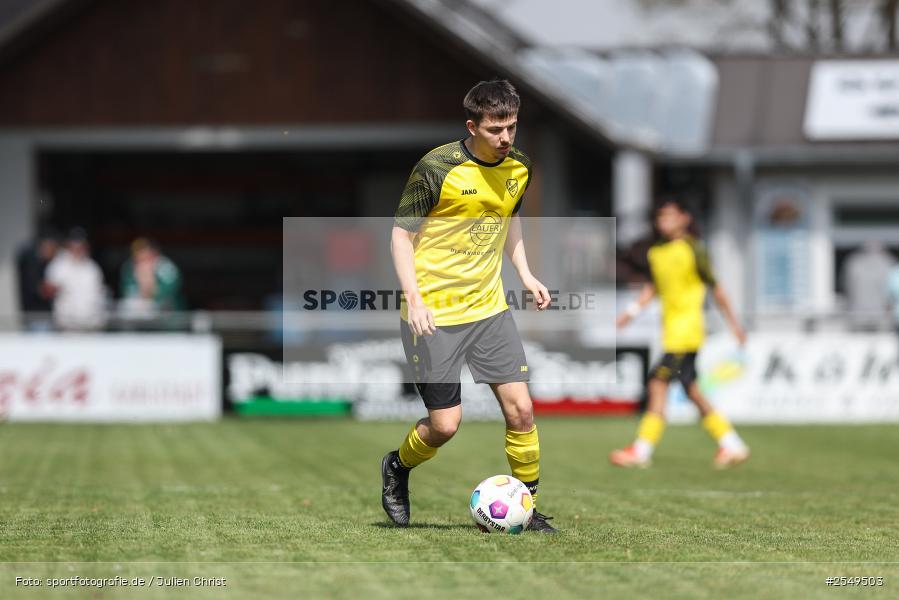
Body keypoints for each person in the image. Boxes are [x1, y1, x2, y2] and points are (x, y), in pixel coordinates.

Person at [380, 79, 557, 532]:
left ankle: (528, 508)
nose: (505, 138)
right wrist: (414, 300)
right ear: (472, 125)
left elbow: (509, 220)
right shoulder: (437, 167)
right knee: (445, 426)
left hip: (489, 310)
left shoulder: (519, 167)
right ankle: (397, 468)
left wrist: (527, 274)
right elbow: (401, 235)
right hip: (433, 316)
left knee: (521, 410)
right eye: (496, 129)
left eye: (512, 127)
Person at [610, 199, 750, 469]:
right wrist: (632, 310)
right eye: (661, 216)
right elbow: (654, 287)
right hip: (671, 332)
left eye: (670, 216)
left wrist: (734, 325)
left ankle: (641, 450)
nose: (664, 221)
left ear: (684, 218)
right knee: (693, 391)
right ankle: (732, 444)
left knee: (657, 383)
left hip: (687, 332)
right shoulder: (656, 252)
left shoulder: (693, 248)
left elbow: (716, 287)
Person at [44, 227, 107, 331]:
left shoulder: (92, 267)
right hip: (67, 326)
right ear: (69, 244)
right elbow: (47, 291)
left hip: (92, 326)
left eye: (81, 244)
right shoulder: (58, 265)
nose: (78, 248)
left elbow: (99, 292)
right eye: (75, 244)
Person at [119, 238, 183, 318]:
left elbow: (169, 293)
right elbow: (128, 295)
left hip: (169, 316)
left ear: (154, 254)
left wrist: (150, 286)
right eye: (138, 258)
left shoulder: (165, 267)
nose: (142, 262)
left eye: (146, 257)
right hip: (138, 317)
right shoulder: (130, 268)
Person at [15, 229, 59, 330]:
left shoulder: (49, 264)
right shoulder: (31, 265)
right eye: (51, 246)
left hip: (46, 318)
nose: (53, 251)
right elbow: (40, 290)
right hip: (37, 318)